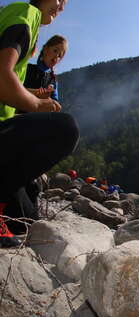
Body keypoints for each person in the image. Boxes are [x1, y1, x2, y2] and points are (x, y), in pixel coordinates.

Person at [0, 0, 77, 248]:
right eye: (60, 0)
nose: (61, 7)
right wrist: (35, 104)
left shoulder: (23, 22)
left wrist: (36, 98)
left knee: (24, 219)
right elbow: (2, 78)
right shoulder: (27, 13)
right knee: (65, 129)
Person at [21, 34, 67, 107]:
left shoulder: (53, 80)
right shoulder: (27, 69)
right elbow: (14, 89)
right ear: (45, 49)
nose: (56, 56)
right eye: (55, 51)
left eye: (59, 56)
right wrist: (36, 93)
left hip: (40, 115)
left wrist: (49, 100)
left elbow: (55, 104)